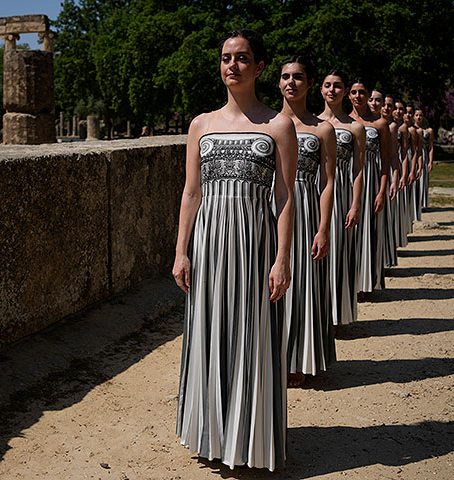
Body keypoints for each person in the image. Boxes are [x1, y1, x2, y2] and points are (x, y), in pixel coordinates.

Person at [173, 29, 297, 471]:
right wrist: (181, 251)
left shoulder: (278, 125)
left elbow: (284, 197)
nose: (232, 65)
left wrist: (282, 259)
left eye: (242, 58)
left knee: (251, 335)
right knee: (210, 332)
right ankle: (211, 434)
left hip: (254, 246)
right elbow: (191, 193)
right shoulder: (201, 125)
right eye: (226, 57)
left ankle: (250, 438)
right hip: (208, 246)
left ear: (259, 66)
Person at [280, 55, 336, 386]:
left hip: (306, 208)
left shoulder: (322, 129)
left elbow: (329, 182)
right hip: (271, 210)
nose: (291, 82)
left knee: (302, 285)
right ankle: (271, 355)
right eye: (285, 77)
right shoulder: (267, 124)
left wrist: (324, 227)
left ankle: (299, 357)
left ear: (309, 84)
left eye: (298, 77)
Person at [318, 69, 365, 329]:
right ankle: (319, 312)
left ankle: (338, 313)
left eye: (337, 86)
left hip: (343, 193)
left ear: (345, 91)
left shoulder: (354, 127)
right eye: (327, 85)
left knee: (339, 252)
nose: (332, 90)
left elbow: (358, 169)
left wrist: (356, 204)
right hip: (315, 193)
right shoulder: (310, 123)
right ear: (321, 89)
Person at [349, 78, 390, 296]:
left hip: (371, 180)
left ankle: (365, 282)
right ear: (349, 95)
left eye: (362, 92)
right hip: (346, 181)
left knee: (367, 231)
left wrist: (382, 191)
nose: (358, 96)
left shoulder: (380, 124)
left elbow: (386, 160)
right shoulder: (342, 122)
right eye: (354, 92)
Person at [373, 90, 399, 268]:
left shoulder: (390, 127)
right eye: (372, 100)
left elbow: (393, 156)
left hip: (378, 174)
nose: (375, 104)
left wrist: (395, 178)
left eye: (380, 101)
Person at [391, 99, 411, 247]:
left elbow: (404, 153)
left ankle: (397, 237)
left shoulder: (403, 128)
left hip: (395, 165)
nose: (398, 111)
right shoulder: (382, 124)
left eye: (401, 109)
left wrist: (404, 174)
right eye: (395, 108)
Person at [404, 105, 422, 222]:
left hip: (409, 159)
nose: (407, 115)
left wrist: (416, 168)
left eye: (410, 112)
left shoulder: (413, 131)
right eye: (406, 112)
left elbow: (417, 151)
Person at [414, 108, 433, 209]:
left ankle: (421, 203)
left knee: (422, 179)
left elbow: (431, 147)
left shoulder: (429, 130)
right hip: (413, 154)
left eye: (420, 115)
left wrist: (430, 161)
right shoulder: (410, 129)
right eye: (416, 115)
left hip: (424, 155)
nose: (418, 117)